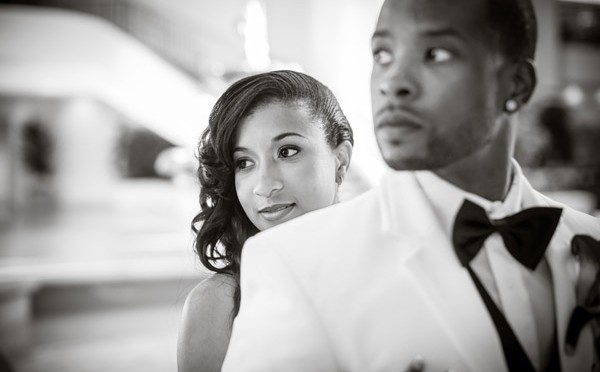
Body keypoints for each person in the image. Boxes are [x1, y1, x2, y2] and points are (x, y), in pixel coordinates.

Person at [222, 0, 600, 371]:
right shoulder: (294, 263)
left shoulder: (588, 239)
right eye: (383, 54)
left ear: (516, 85)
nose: (393, 82)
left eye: (435, 53)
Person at [177, 70, 354, 372]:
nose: (264, 184)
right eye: (244, 163)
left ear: (340, 161)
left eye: (287, 152)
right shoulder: (215, 305)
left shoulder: (394, 269)